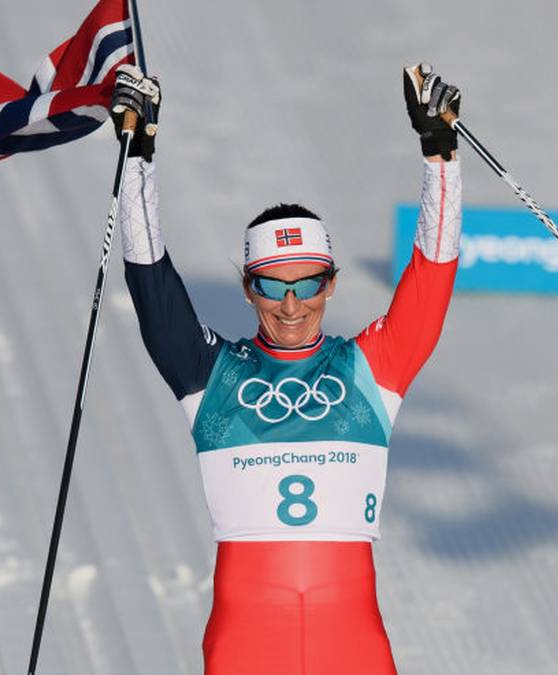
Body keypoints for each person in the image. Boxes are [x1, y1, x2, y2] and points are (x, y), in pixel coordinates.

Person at [111, 61, 463, 675]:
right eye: (273, 286)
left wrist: (440, 156)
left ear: (332, 284)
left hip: (350, 645)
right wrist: (137, 159)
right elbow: (151, 282)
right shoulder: (211, 375)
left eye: (309, 283)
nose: (292, 305)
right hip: (247, 643)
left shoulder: (371, 369)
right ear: (249, 289)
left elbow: (432, 275)